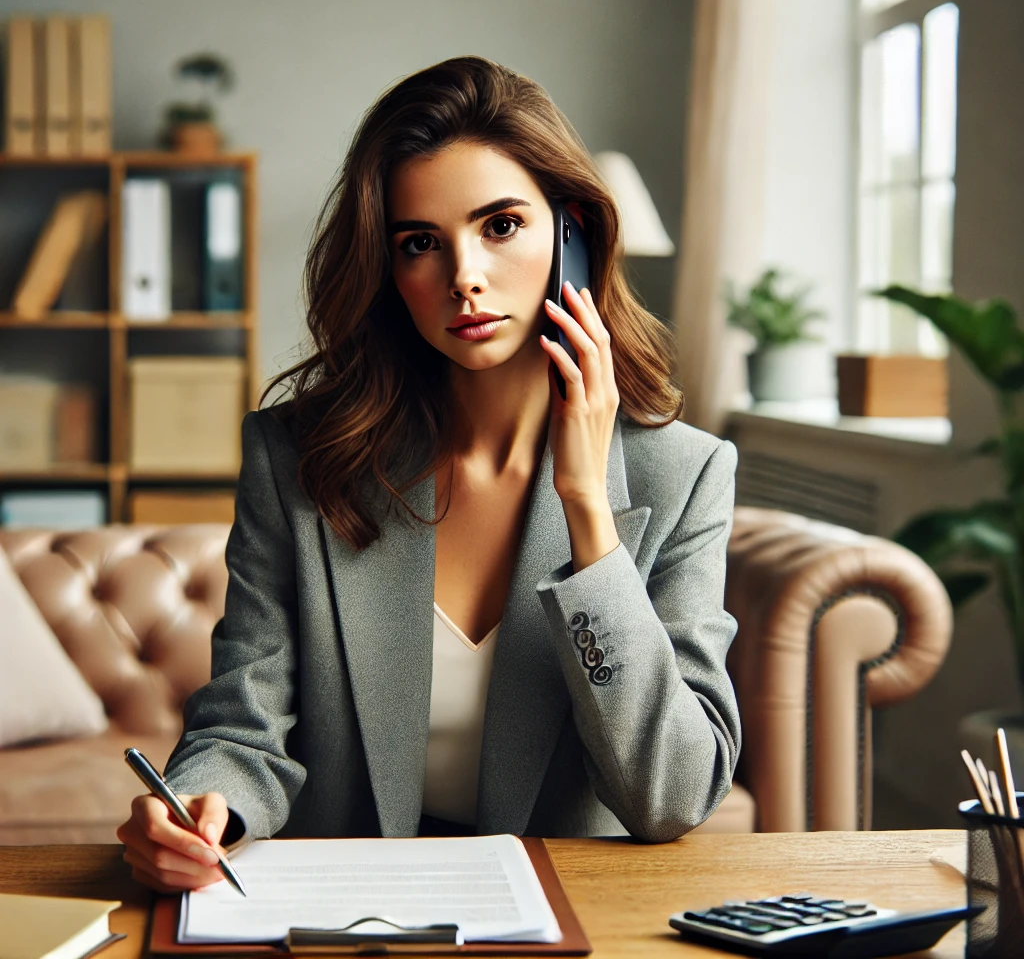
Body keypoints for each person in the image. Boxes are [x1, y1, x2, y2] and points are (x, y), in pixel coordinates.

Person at [116, 55, 741, 893]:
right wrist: (201, 805)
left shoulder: (685, 474)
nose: (465, 279)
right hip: (340, 917)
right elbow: (243, 726)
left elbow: (670, 796)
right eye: (421, 244)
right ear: (388, 269)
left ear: (575, 235)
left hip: (572, 922)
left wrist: (588, 507)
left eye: (502, 225)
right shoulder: (296, 459)